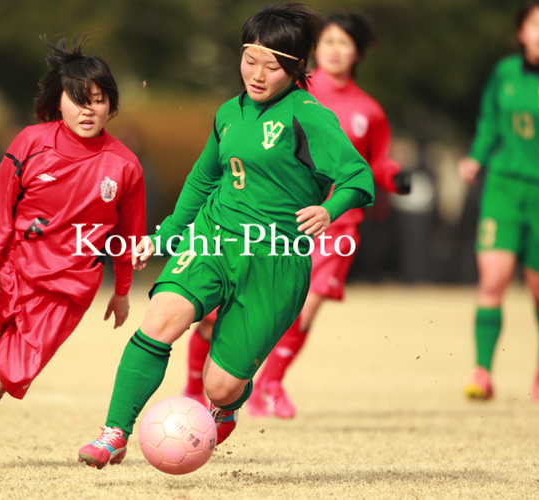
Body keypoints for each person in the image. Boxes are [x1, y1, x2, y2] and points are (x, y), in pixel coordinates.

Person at [78, 2, 375, 470]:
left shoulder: (308, 116)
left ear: (296, 69)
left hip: (275, 262)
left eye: (271, 65)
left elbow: (360, 178)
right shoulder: (228, 114)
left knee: (219, 387)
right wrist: (166, 236)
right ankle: (113, 434)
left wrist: (328, 208)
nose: (256, 74)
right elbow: (201, 180)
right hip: (213, 239)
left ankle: (229, 404)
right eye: (249, 59)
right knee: (160, 319)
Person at [0, 35, 146, 467]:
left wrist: (123, 289)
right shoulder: (31, 142)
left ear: (112, 105)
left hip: (64, 295)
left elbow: (128, 234)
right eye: (78, 100)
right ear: (59, 104)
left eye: (98, 99)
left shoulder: (124, 165)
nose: (88, 109)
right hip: (8, 270)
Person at [182, 11, 411, 418]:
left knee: (304, 310)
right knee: (212, 314)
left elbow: (368, 166)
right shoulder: (283, 84)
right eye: (329, 42)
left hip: (337, 223)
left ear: (357, 52)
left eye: (345, 43)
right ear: (311, 51)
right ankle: (194, 388)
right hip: (265, 222)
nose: (336, 50)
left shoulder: (368, 110)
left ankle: (270, 384)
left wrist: (394, 177)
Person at [460, 0, 539, 403]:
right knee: (493, 279)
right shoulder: (504, 73)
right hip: (503, 185)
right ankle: (481, 372)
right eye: (534, 25)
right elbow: (489, 120)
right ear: (521, 32)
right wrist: (476, 157)